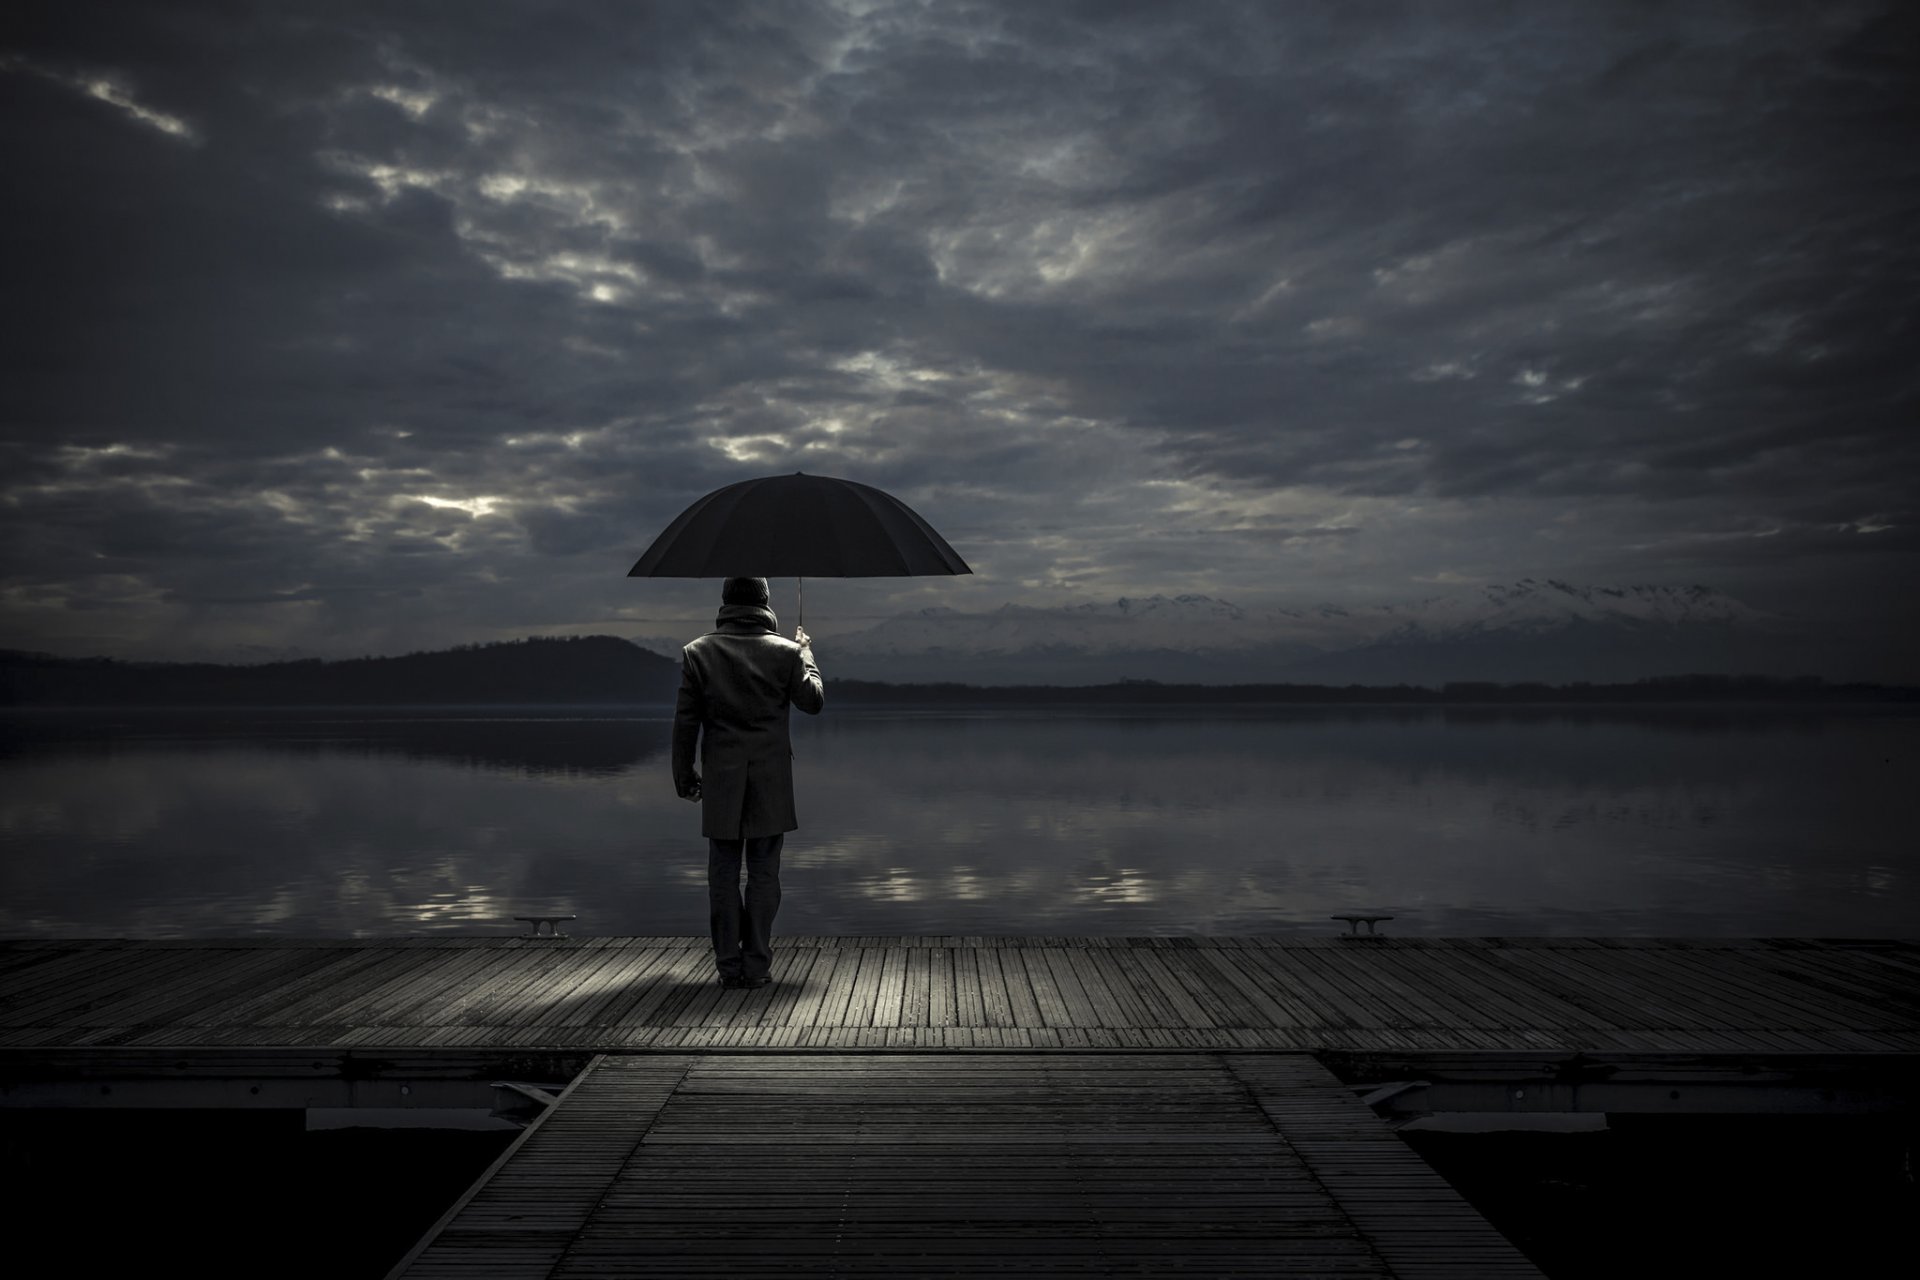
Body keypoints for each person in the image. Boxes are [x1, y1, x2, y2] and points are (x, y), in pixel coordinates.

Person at [671, 576, 825, 989]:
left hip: (721, 778)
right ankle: (756, 965)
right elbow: (813, 702)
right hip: (771, 780)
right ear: (765, 602)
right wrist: (806, 653)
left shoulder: (697, 652)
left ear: (725, 602)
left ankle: (728, 966)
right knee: (764, 874)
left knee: (721, 874)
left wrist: (684, 777)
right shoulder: (787, 652)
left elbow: (685, 724)